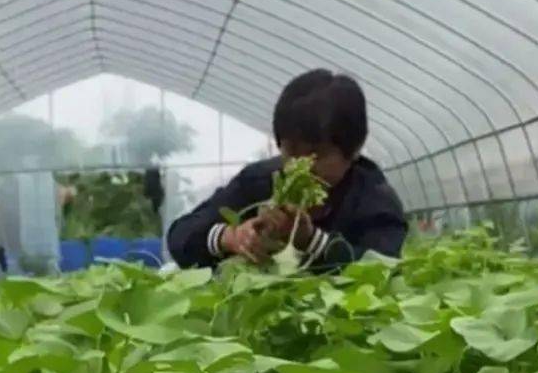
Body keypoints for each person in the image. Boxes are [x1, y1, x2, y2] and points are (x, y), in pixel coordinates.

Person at [166, 70, 407, 271]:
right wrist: (229, 237)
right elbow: (180, 235)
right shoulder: (258, 181)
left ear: (354, 149)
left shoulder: (374, 200)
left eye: (317, 155)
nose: (299, 168)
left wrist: (312, 241)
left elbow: (383, 268)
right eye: (291, 151)